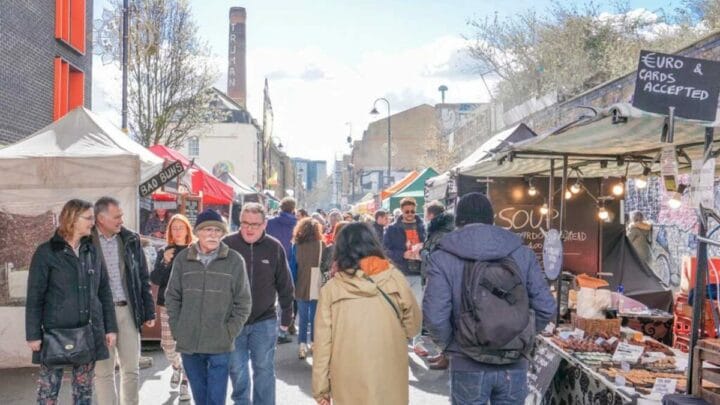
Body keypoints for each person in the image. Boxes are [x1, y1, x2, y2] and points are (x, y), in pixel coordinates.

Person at [423, 192, 556, 404]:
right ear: (492, 219)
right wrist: (519, 334)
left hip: (466, 361)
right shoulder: (522, 252)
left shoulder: (443, 257)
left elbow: (434, 315)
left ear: (458, 220)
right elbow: (546, 307)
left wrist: (452, 345)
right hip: (514, 364)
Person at [312, 222, 422, 405]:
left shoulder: (331, 289)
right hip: (390, 370)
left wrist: (321, 389)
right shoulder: (394, 277)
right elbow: (413, 325)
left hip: (347, 375)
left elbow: (322, 344)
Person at [26, 199, 118, 405]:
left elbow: (104, 291)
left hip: (88, 331)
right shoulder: (46, 252)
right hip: (54, 335)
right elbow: (34, 296)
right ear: (72, 219)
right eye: (88, 218)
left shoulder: (92, 251)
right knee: (48, 391)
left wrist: (110, 328)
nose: (92, 222)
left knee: (84, 391)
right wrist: (33, 335)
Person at [165, 209, 252, 405]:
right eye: (208, 230)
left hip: (220, 343)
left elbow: (243, 302)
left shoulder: (234, 261)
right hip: (190, 342)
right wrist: (178, 329)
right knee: (200, 398)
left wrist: (229, 331)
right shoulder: (183, 260)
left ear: (223, 234)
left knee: (215, 400)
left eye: (217, 230)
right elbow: (172, 297)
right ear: (197, 233)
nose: (213, 234)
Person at [224, 203, 295, 405]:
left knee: (263, 369)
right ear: (240, 222)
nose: (250, 228)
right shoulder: (227, 245)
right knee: (237, 370)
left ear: (264, 224)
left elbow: (285, 284)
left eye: (255, 224)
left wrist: (287, 317)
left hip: (264, 320)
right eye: (246, 223)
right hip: (232, 321)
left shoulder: (274, 247)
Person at [93, 196, 156, 405]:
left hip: (127, 311)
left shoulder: (130, 239)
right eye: (117, 216)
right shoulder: (86, 242)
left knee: (131, 369)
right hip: (100, 315)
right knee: (103, 372)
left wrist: (148, 311)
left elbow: (142, 277)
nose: (122, 219)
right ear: (101, 219)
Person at [150, 214, 194, 401]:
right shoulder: (164, 251)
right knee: (168, 345)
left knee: (187, 346)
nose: (176, 231)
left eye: (180, 227)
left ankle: (185, 381)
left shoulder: (195, 250)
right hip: (168, 304)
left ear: (187, 230)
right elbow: (155, 279)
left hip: (191, 304)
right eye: (173, 228)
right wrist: (165, 261)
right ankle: (176, 367)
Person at [288, 218, 326, 359]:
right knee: (315, 317)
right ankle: (315, 343)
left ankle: (302, 345)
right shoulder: (322, 245)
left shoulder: (296, 245)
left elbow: (292, 267)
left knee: (302, 317)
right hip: (317, 281)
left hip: (301, 281)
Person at [384, 197, 426, 274]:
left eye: (412, 211)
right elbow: (384, 251)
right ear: (402, 211)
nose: (410, 214)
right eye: (407, 212)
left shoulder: (423, 227)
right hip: (401, 271)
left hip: (421, 271)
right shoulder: (392, 229)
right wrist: (402, 254)